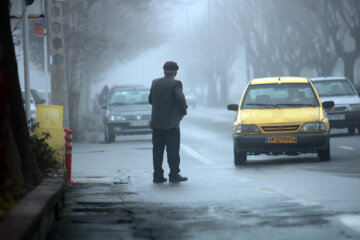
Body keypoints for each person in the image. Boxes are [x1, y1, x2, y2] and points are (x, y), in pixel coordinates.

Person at [148, 61, 188, 183]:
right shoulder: (176, 84)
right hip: (171, 124)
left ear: (164, 71)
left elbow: (150, 100)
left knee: (157, 151)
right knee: (172, 150)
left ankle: (158, 176)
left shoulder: (155, 82)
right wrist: (183, 112)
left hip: (156, 123)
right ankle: (174, 175)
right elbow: (180, 98)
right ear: (175, 72)